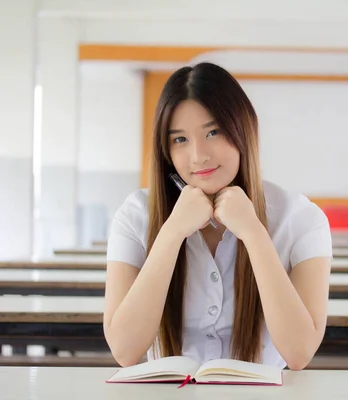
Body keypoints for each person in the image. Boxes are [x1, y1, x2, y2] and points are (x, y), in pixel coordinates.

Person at [103, 62, 333, 371]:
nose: (199, 155)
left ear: (243, 130)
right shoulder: (135, 215)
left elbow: (299, 353)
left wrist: (253, 232)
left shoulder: (301, 218)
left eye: (213, 132)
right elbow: (124, 350)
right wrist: (172, 233)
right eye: (180, 139)